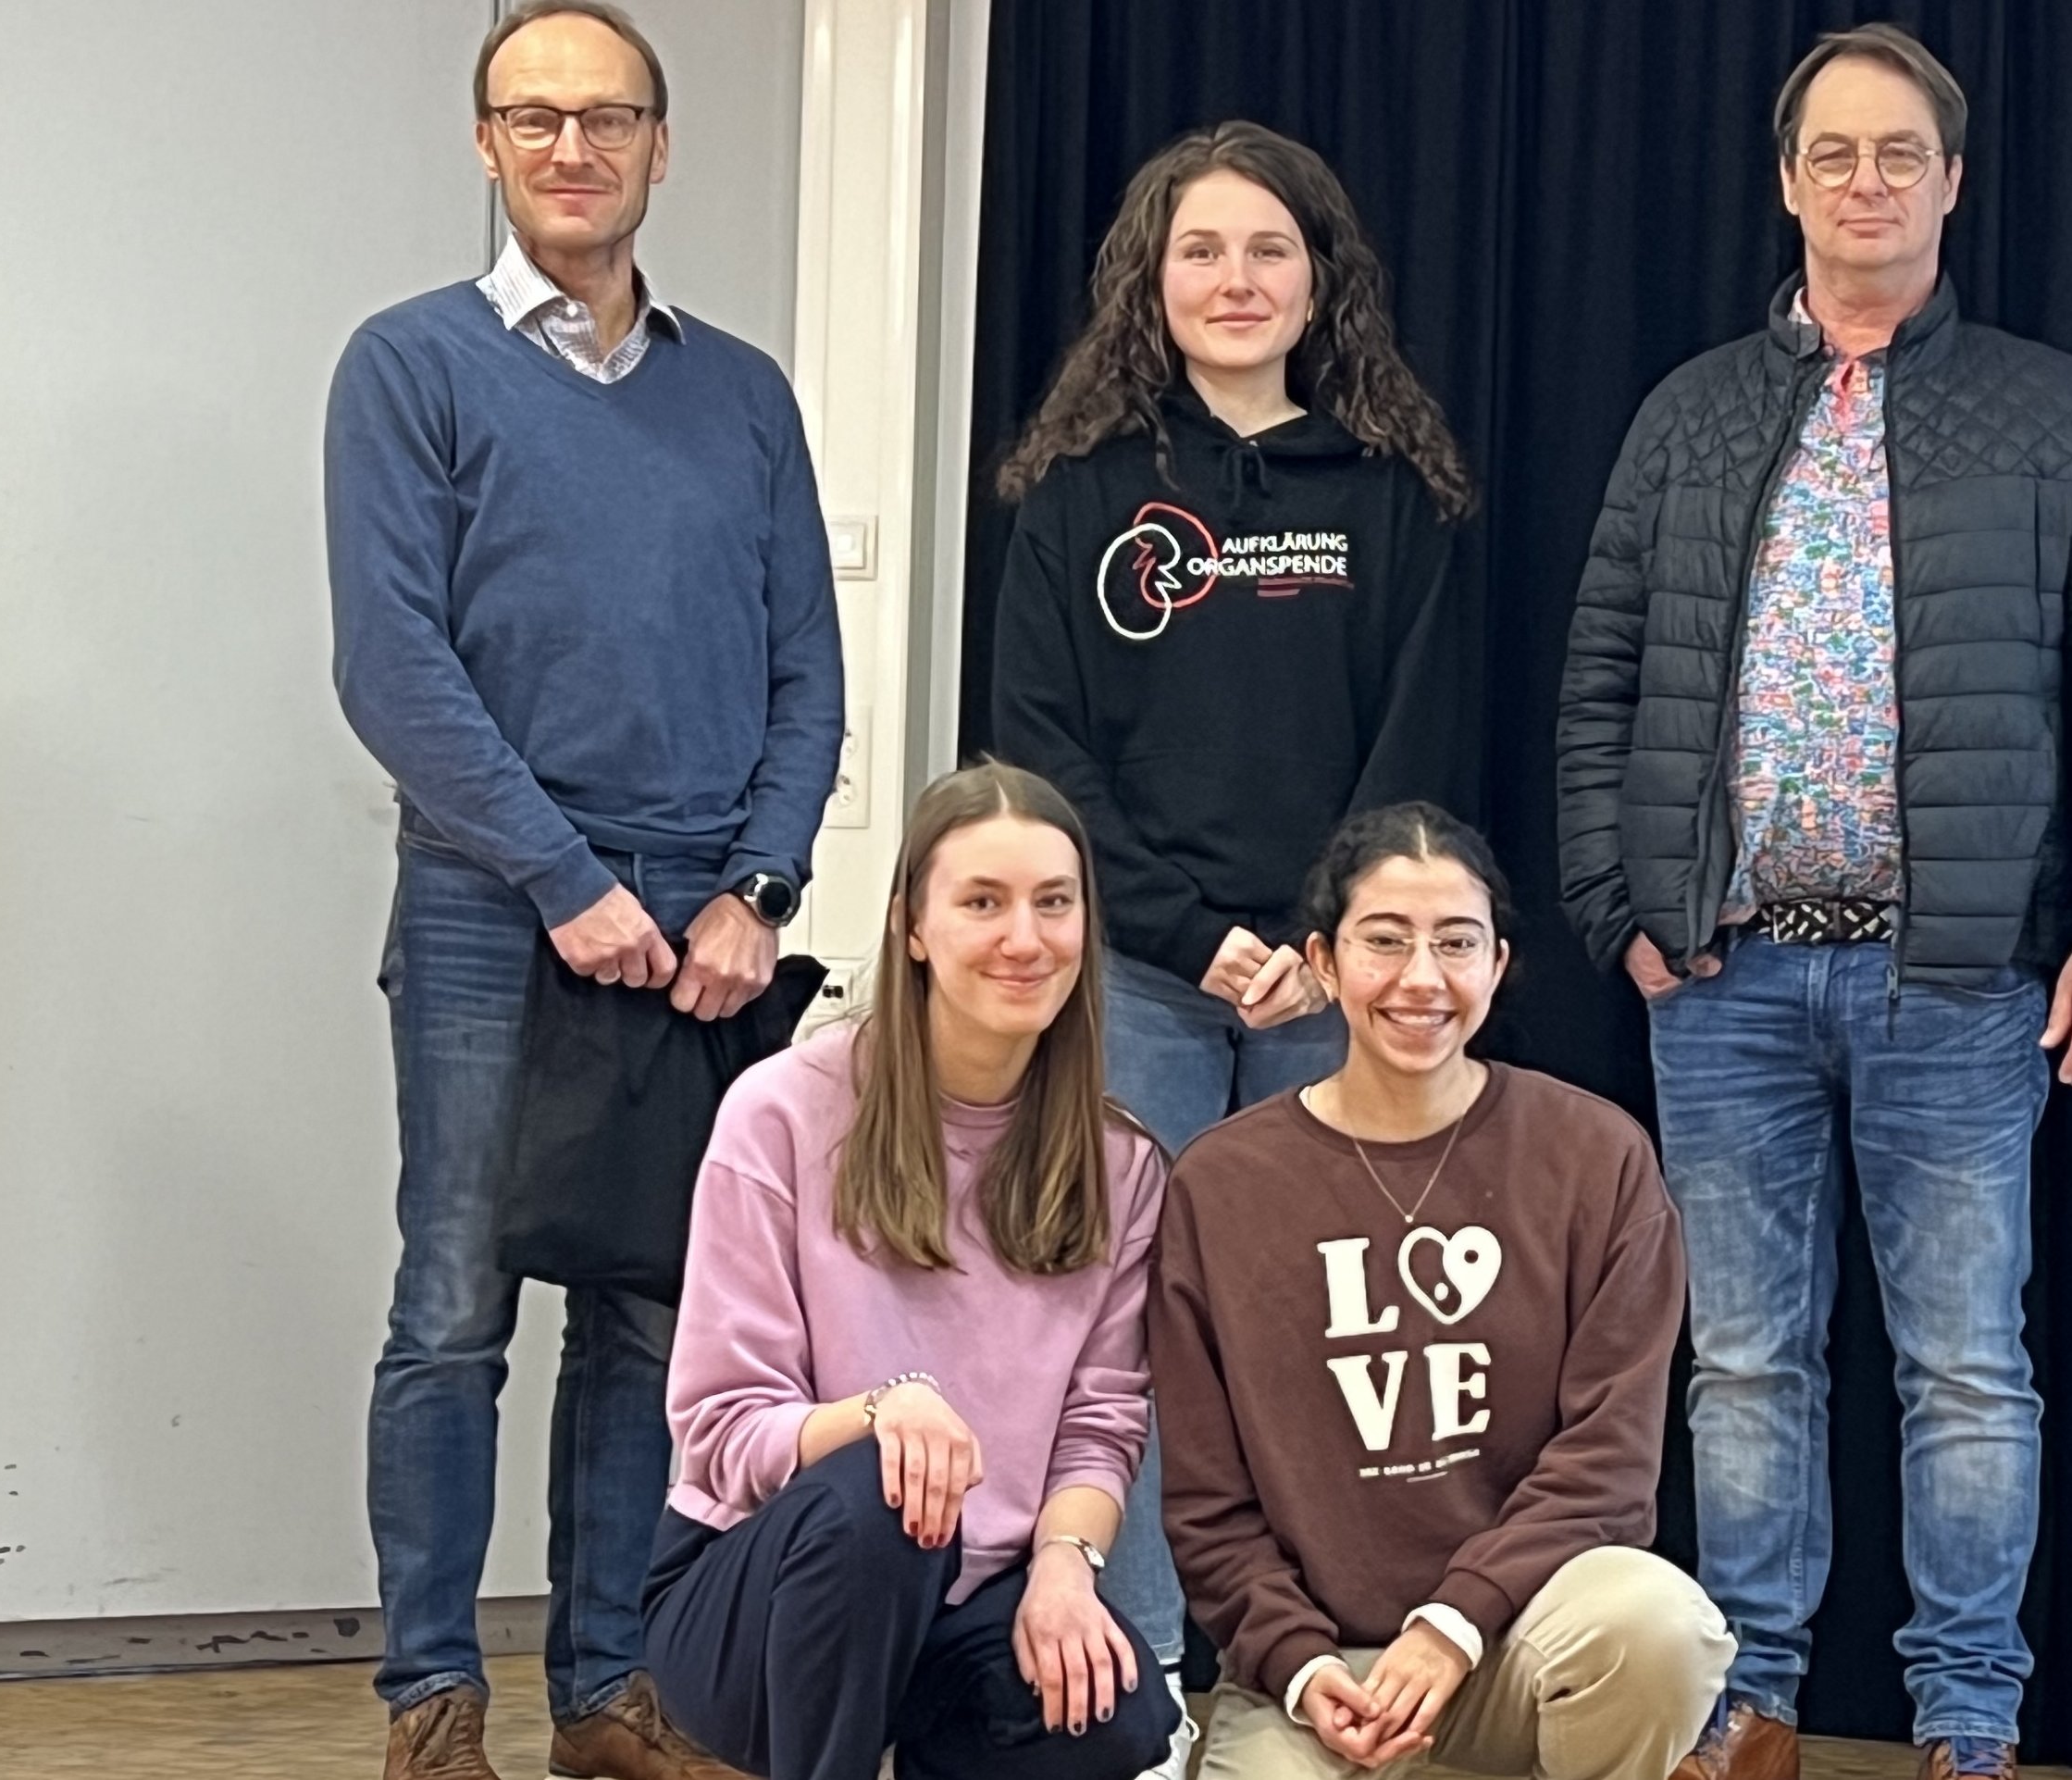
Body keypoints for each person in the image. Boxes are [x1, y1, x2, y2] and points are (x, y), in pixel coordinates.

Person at [1554, 24, 2072, 1780]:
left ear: (1950, 181)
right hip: (1725, 971)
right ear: (1785, 182)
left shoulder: (2050, 410)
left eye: (1895, 154)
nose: (1863, 183)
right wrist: (1613, 892)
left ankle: (1965, 1720)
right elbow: (1601, 661)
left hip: (1960, 974)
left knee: (1964, 1369)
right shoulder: (1690, 410)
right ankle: (1746, 1698)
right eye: (1830, 155)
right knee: (1745, 1364)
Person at [325, 4, 842, 1774]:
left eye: (604, 118)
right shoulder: (410, 368)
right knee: (452, 1305)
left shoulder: (744, 391)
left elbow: (806, 674)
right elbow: (393, 666)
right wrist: (559, 876)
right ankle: (430, 1698)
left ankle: (607, 1691)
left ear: (658, 147)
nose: (569, 148)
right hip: (491, 904)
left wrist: (753, 888)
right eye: (532, 118)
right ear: (484, 144)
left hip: (702, 925)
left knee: (651, 1311)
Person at [986, 118, 1478, 1761]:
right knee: (1120, 1332)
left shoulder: (1395, 493)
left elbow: (1414, 745)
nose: (1235, 280)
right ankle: (1128, 1685)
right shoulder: (1072, 499)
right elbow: (1039, 760)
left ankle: (1316, 1677)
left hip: (1341, 992)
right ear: (1151, 278)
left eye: (1268, 249)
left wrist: (1323, 943)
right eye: (1200, 250)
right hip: (1137, 981)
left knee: (1334, 1338)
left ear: (1317, 277)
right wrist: (1204, 937)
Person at [1152, 803, 1732, 1779]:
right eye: (1383, 941)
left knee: (1660, 1627)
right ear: (1323, 964)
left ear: (1497, 966)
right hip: (1321, 1676)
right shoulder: (1218, 1187)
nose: (1421, 979)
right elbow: (1208, 1505)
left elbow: (1608, 1464)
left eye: (1455, 943)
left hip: (1515, 1642)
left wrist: (1455, 1621)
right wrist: (1297, 1666)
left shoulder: (1594, 1157)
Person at [639, 764, 1181, 1780]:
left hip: (974, 1596)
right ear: (912, 929)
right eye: (982, 902)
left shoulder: (1124, 1166)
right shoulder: (781, 1111)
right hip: (759, 1590)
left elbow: (1100, 1428)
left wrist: (1065, 1567)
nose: (1024, 938)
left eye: (1052, 903)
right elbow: (719, 1431)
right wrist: (882, 1412)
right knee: (888, 1495)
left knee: (1114, 1712)